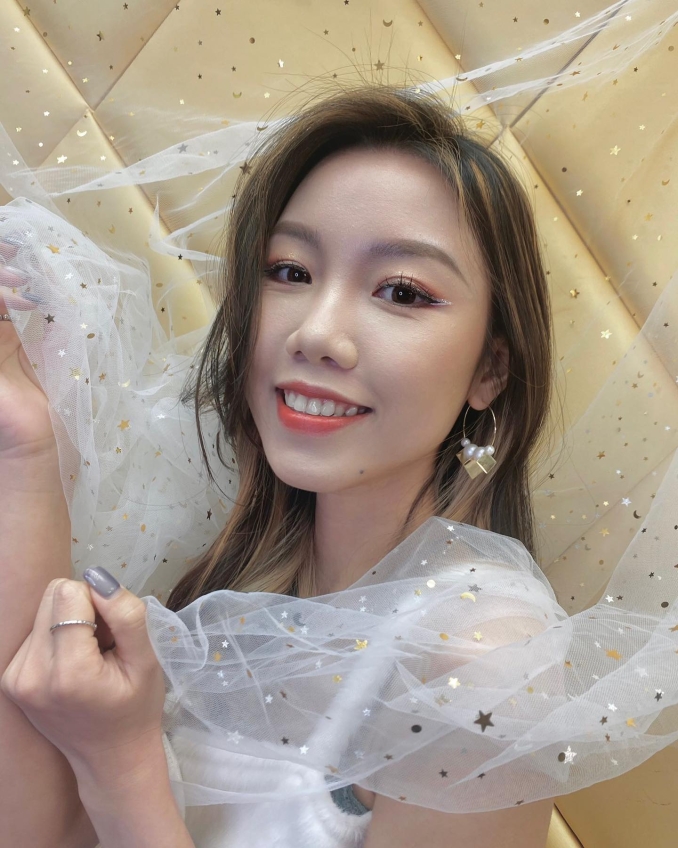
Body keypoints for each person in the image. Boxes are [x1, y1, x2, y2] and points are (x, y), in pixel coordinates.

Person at [0, 83, 673, 847]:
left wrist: (122, 765)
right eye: (291, 272)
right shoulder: (236, 576)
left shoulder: (483, 662)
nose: (317, 333)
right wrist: (26, 443)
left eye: (402, 292)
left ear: (491, 371)